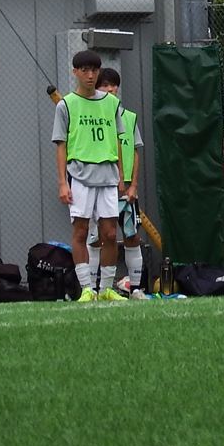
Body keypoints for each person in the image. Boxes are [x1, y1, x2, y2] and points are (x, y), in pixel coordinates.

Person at [53, 51, 128, 303]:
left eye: (94, 70)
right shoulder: (66, 105)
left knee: (110, 234)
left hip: (107, 175)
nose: (90, 75)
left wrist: (121, 175)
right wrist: (62, 182)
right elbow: (61, 145)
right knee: (81, 232)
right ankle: (86, 288)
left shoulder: (111, 103)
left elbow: (117, 140)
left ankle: (106, 289)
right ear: (75, 72)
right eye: (84, 70)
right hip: (80, 175)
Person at [98, 67, 148, 299]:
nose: (110, 89)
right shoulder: (93, 119)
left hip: (126, 189)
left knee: (131, 235)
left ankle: (135, 288)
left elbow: (135, 152)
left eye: (113, 85)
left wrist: (133, 185)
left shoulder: (128, 117)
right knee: (97, 238)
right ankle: (95, 289)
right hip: (101, 186)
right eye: (105, 85)